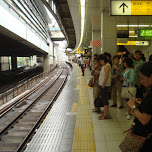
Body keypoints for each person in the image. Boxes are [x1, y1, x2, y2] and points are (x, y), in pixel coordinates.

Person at [127, 62, 152, 151]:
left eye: (143, 78)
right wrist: (141, 104)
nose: (141, 81)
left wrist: (133, 107)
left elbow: (144, 120)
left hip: (146, 137)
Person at [98, 54, 111, 119]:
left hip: (104, 86)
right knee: (103, 99)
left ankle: (105, 115)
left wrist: (103, 85)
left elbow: (106, 76)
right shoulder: (104, 66)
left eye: (100, 61)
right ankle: (104, 113)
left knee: (104, 99)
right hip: (102, 85)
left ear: (103, 60)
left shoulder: (107, 66)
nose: (100, 62)